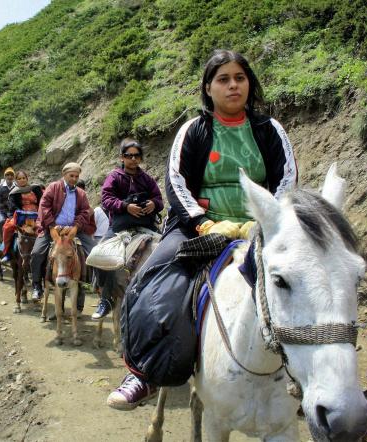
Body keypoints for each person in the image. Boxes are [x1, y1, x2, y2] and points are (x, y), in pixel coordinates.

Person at [106, 49, 298, 411]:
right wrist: (205, 222)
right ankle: (143, 373)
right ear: (208, 88)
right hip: (199, 227)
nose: (233, 85)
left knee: (312, 278)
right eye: (223, 79)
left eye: (239, 78)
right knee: (154, 279)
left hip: (260, 226)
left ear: (249, 84)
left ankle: (313, 375)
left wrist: (264, 221)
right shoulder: (194, 130)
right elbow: (176, 181)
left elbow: (286, 179)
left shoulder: (269, 130)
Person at [92, 138, 164, 320]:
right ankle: (105, 299)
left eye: (136, 155)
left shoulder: (146, 178)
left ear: (140, 158)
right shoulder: (114, 177)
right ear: (122, 157)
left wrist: (152, 204)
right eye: (128, 155)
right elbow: (106, 199)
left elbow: (159, 199)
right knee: (99, 254)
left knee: (168, 251)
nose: (132, 159)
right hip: (119, 227)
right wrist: (125, 206)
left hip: (146, 225)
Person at [30, 162, 96, 301]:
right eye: (71, 175)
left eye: (76, 176)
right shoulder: (53, 187)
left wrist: (76, 227)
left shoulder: (81, 193)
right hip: (52, 228)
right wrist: (52, 226)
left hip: (74, 229)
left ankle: (94, 284)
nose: (74, 179)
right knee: (36, 253)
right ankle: (36, 285)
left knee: (95, 252)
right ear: (64, 174)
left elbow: (85, 211)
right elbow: (44, 207)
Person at [0, 170, 44, 263]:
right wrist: (23, 213)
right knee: (7, 228)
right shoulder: (14, 192)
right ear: (16, 180)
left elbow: (42, 201)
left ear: (27, 178)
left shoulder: (35, 188)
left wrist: (40, 212)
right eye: (19, 179)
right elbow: (13, 206)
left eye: (24, 178)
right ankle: (7, 252)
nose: (22, 180)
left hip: (37, 214)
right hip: (22, 215)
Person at [0, 167, 16, 233]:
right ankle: (3, 241)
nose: (10, 177)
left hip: (14, 210)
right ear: (5, 176)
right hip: (2, 211)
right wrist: (8, 213)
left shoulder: (16, 186)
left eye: (11, 175)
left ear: (13, 176)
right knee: (1, 222)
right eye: (8, 175)